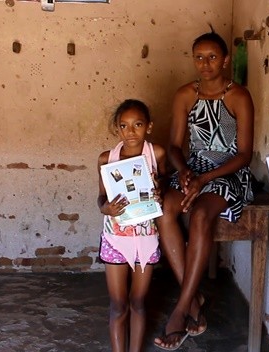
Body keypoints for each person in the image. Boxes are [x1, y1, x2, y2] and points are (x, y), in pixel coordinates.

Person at [154, 28, 254, 351]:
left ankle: (182, 310)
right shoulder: (185, 95)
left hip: (227, 172)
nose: (205, 63)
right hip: (192, 168)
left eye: (212, 57)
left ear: (225, 60)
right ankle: (194, 298)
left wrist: (205, 179)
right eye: (199, 57)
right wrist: (185, 172)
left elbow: (244, 154)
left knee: (199, 216)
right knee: (165, 208)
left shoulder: (239, 96)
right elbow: (173, 146)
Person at [97, 99, 166, 352]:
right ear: (117, 129)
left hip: (146, 238)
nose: (131, 132)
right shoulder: (107, 158)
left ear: (148, 126)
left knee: (138, 302)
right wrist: (106, 208)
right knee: (118, 305)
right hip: (116, 239)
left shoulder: (156, 154)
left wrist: (161, 191)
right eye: (124, 126)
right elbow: (101, 198)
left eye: (137, 124)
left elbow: (166, 184)